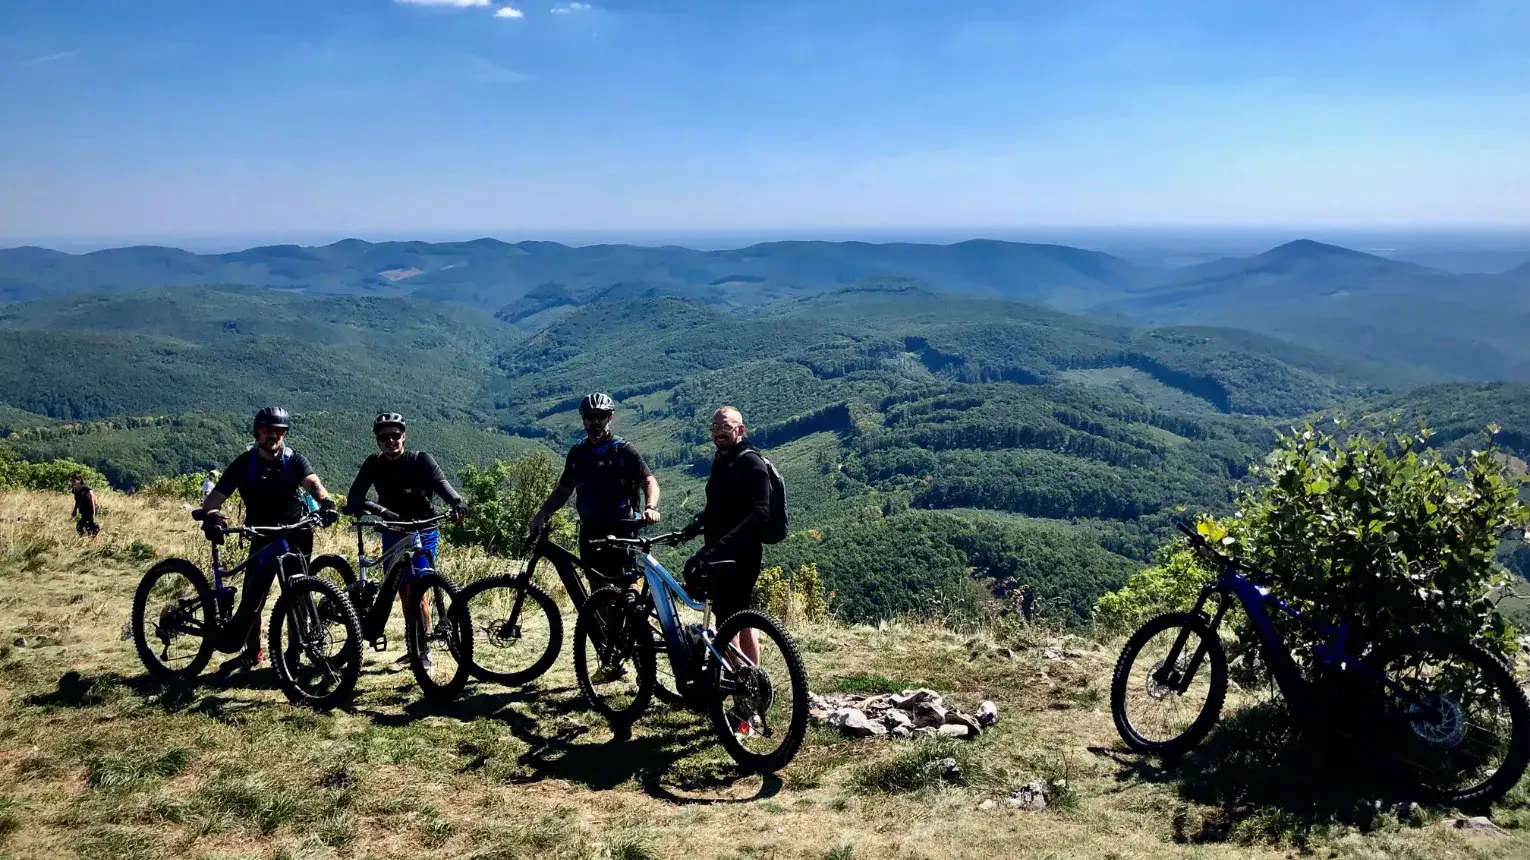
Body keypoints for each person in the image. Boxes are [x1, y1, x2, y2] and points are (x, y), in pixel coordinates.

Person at [198, 407, 340, 674]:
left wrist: (327, 502)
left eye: (280, 431)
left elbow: (312, 482)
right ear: (258, 433)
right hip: (261, 537)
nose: (274, 436)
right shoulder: (245, 464)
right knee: (254, 600)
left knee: (298, 594)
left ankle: (295, 653)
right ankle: (253, 652)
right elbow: (213, 500)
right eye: (267, 431)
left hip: (296, 534)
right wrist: (214, 516)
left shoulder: (292, 459)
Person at [342, 412, 469, 669]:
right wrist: (383, 512)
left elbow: (441, 483)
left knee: (420, 588)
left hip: (424, 530)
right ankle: (415, 644)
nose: (391, 441)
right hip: (393, 532)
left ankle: (423, 651)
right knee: (403, 590)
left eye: (395, 435)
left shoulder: (421, 460)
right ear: (378, 441)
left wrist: (457, 502)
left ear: (404, 436)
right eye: (384, 437)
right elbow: (355, 498)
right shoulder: (374, 464)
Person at [528, 393, 661, 582]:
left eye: (601, 416)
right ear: (583, 420)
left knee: (626, 586)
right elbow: (563, 490)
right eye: (590, 417)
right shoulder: (577, 453)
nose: (596, 421)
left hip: (621, 531)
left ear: (610, 418)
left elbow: (648, 480)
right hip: (589, 532)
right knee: (597, 588)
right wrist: (542, 514)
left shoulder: (623, 450)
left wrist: (651, 507)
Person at [678, 405, 773, 662]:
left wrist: (718, 547)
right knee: (739, 617)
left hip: (741, 555)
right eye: (715, 428)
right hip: (721, 553)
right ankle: (750, 675)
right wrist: (694, 525)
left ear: (740, 429)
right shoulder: (721, 460)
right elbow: (717, 506)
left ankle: (737, 678)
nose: (719, 432)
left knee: (729, 620)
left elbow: (761, 512)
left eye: (726, 427)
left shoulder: (751, 462)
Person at [69, 473, 100, 539]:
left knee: (91, 527)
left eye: (74, 481)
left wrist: (93, 514)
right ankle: (85, 539)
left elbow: (92, 502)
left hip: (90, 510)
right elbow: (77, 500)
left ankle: (94, 539)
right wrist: (74, 510)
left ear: (79, 480)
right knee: (79, 527)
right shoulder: (75, 490)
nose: (72, 482)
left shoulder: (87, 490)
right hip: (84, 510)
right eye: (72, 480)